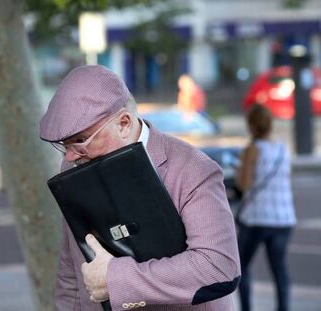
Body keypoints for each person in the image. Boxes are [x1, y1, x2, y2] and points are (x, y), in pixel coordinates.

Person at [39, 65, 240, 310]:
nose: (70, 156)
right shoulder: (73, 166)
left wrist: (114, 279)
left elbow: (217, 266)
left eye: (81, 141)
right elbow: (71, 268)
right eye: (64, 144)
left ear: (123, 123)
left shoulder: (194, 168)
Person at [236, 104, 296, 311]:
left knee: (241, 266)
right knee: (279, 269)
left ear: (251, 126)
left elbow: (244, 184)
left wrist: (242, 164)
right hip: (284, 219)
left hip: (256, 219)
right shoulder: (283, 149)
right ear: (270, 124)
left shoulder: (252, 150)